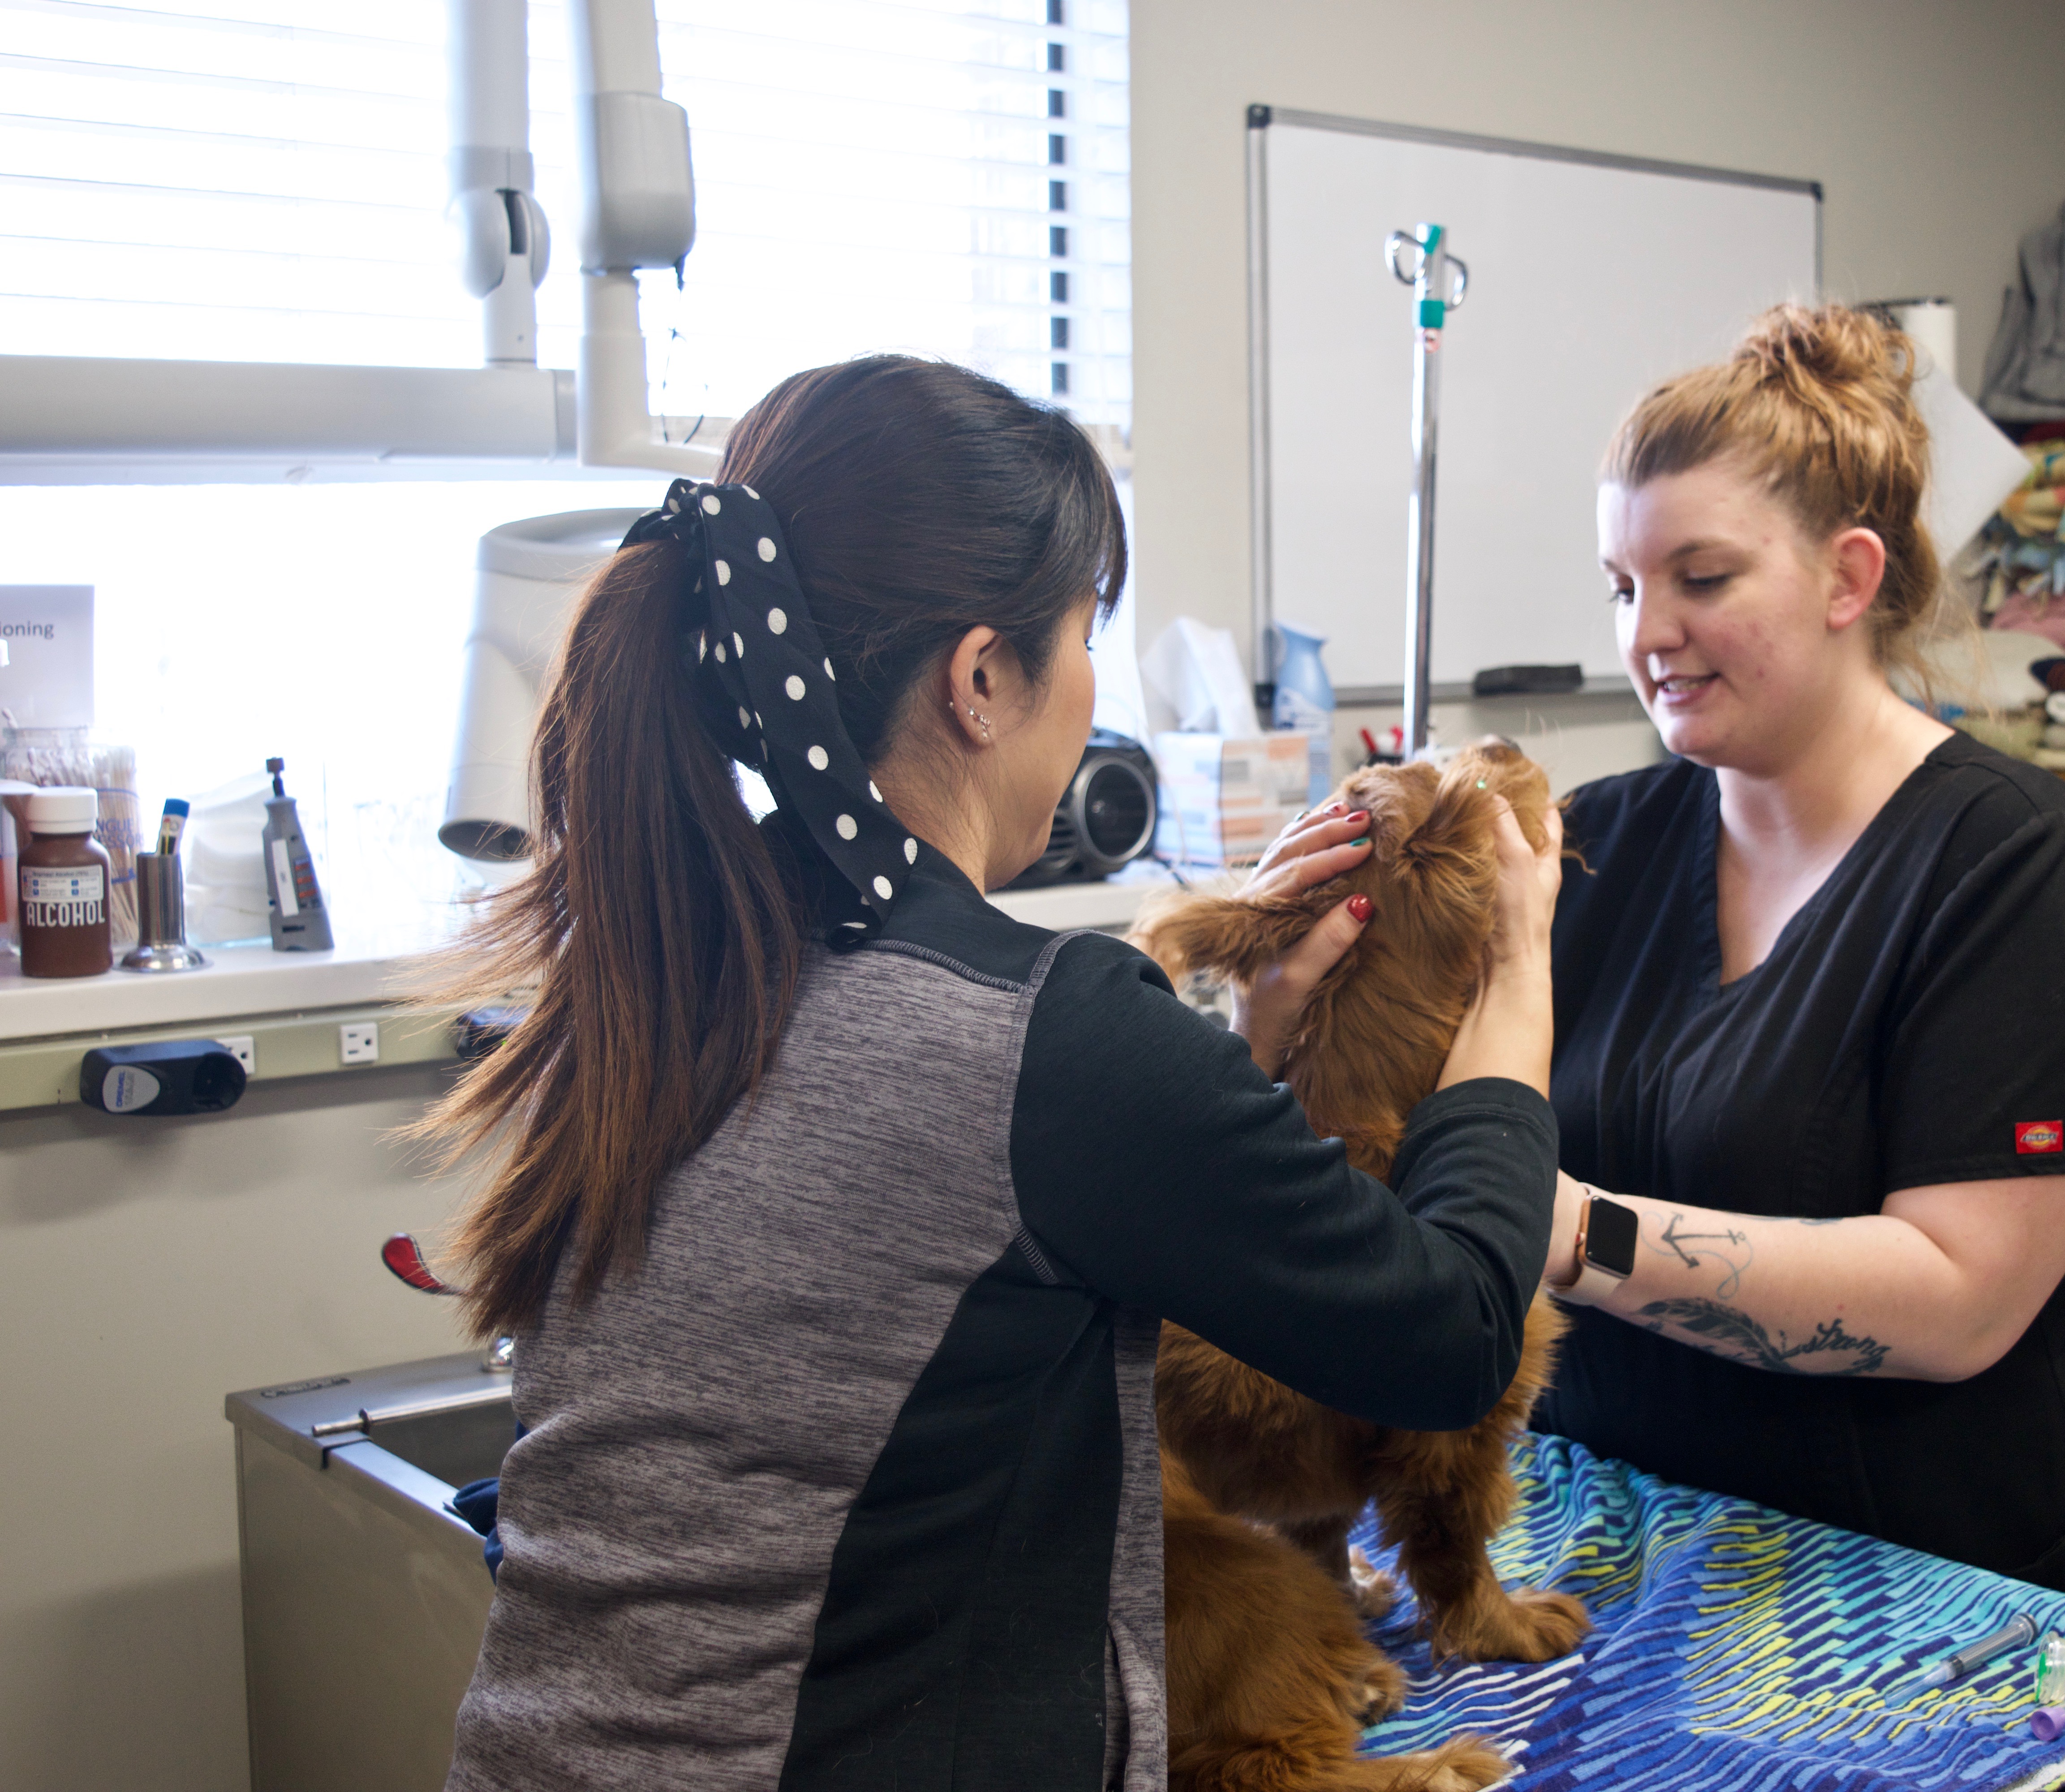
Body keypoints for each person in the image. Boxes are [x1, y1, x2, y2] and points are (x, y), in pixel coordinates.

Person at [425, 356, 1563, 1792]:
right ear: (981, 680)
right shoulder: (1044, 1037)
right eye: (1088, 636)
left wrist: (1230, 1058)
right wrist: (1514, 976)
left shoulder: (669, 975)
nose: (1092, 693)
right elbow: (1455, 1337)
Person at [1536, 304, 2065, 1615]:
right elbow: (1466, 1119)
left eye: (1702, 579)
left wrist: (1574, 1236)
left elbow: (1958, 1301)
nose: (1647, 635)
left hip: (1939, 1614)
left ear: (1848, 579)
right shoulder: (1589, 847)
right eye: (1623, 588)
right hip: (1641, 1578)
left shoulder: (2018, 871)